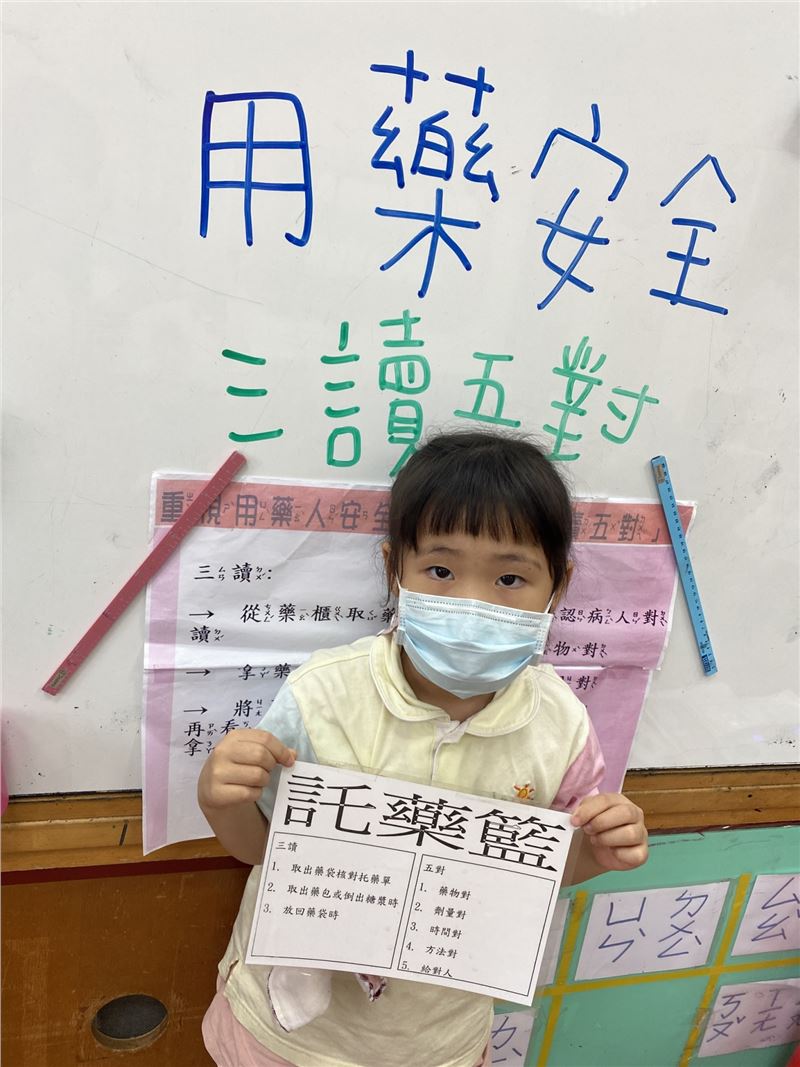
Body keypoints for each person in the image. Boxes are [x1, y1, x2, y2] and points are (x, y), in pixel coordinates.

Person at [197, 429, 649, 1067]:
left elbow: (542, 876)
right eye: (440, 571)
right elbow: (262, 850)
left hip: (438, 1043)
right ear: (395, 571)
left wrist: (597, 855)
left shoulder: (562, 727)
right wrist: (221, 801)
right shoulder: (322, 695)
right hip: (287, 1035)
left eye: (510, 577)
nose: (471, 602)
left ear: (558, 584)